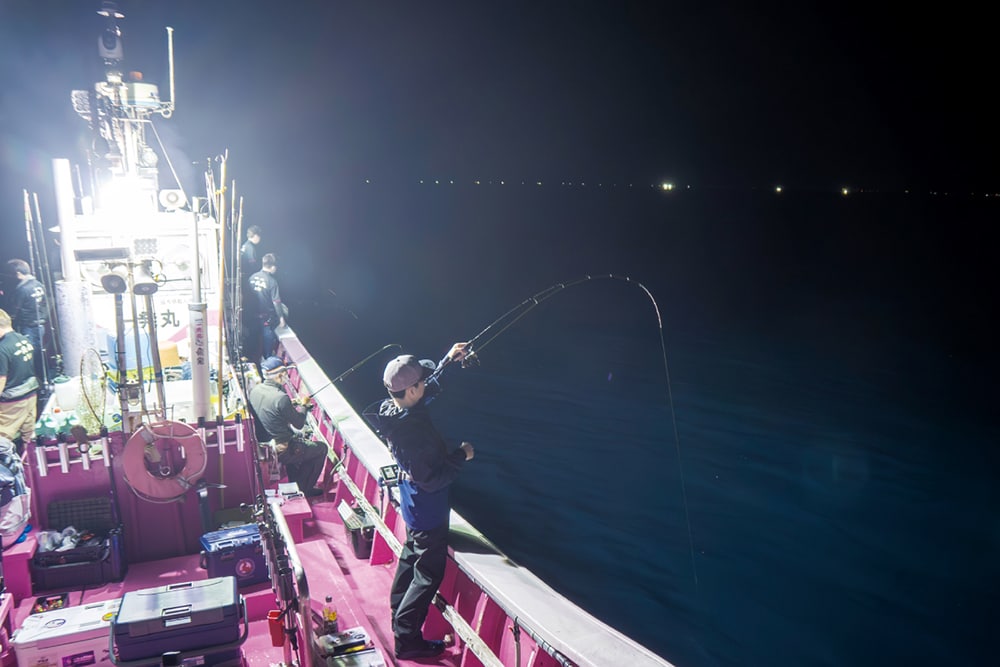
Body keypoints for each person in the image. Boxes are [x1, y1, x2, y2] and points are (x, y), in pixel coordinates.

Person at [366, 343, 474, 660]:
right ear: (411, 389)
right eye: (421, 382)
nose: (426, 385)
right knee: (428, 573)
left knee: (411, 556)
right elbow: (433, 479)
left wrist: (447, 361)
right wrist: (461, 456)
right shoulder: (413, 435)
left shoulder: (396, 409)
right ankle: (407, 638)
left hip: (413, 507)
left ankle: (397, 609)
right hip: (428, 511)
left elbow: (428, 388)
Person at [248, 356, 328, 497]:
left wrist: (292, 403)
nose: (285, 376)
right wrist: (304, 405)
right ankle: (305, 488)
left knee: (300, 447)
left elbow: (273, 408)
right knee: (321, 448)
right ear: (279, 375)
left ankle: (295, 481)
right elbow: (299, 423)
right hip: (282, 449)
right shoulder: (281, 398)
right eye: (284, 372)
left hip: (265, 445)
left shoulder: (255, 390)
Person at [0, 308, 40, 448]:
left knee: (2, 440)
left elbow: (1, 380)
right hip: (30, 395)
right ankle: (30, 466)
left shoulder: (2, 348)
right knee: (29, 438)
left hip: (12, 403)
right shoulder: (23, 339)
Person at [5, 259, 48, 384]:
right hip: (40, 324)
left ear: (18, 273)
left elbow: (14, 311)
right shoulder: (39, 284)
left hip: (29, 327)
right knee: (38, 353)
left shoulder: (22, 290)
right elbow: (44, 303)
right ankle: (41, 378)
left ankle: (32, 380)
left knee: (28, 355)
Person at [248, 253, 285, 360]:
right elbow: (276, 301)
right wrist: (281, 319)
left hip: (252, 317)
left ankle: (253, 360)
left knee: (254, 342)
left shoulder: (252, 278)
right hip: (266, 319)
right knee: (268, 342)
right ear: (273, 267)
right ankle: (267, 361)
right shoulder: (272, 281)